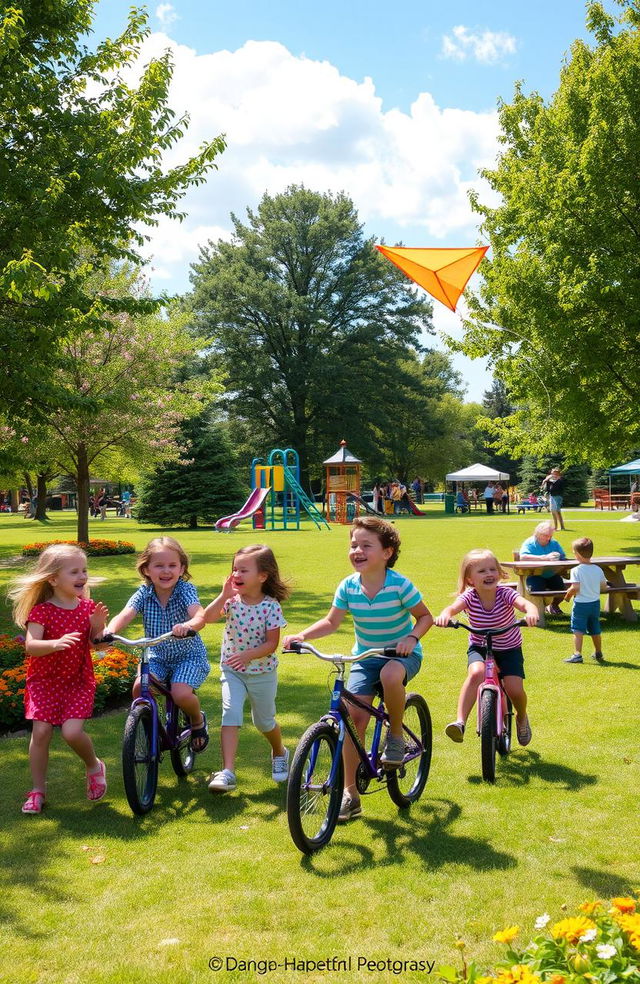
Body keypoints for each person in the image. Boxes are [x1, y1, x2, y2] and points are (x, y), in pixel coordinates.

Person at [283, 515, 433, 823]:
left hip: (401, 654)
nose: (357, 551)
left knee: (391, 674)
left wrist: (410, 637)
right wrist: (301, 636)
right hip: (365, 656)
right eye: (353, 545)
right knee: (354, 720)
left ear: (387, 552)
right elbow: (331, 622)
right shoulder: (348, 586)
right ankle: (350, 794)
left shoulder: (399, 585)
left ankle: (394, 735)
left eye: (366, 545)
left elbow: (425, 617)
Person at [7, 544, 109, 814]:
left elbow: (97, 647)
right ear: (53, 579)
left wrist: (98, 627)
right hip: (44, 681)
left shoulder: (88, 608)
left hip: (77, 680)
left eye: (84, 570)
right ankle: (37, 790)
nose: (82, 576)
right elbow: (31, 646)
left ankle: (94, 766)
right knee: (40, 732)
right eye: (74, 571)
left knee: (72, 732)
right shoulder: (41, 611)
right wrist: (56, 643)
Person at [104, 536, 210, 753]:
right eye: (159, 566)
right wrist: (110, 631)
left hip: (188, 656)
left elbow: (199, 616)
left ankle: (197, 721)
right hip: (157, 655)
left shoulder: (185, 590)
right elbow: (125, 614)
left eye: (172, 565)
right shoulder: (143, 593)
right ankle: (151, 727)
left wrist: (188, 625)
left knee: (180, 694)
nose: (166, 571)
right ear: (147, 570)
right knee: (138, 689)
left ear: (181, 569)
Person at [202, 544, 290, 793]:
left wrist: (248, 655)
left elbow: (272, 644)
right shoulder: (231, 601)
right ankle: (227, 772)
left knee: (264, 722)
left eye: (243, 570)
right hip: (232, 670)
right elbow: (208, 618)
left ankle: (279, 751)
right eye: (234, 569)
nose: (236, 575)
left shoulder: (271, 606)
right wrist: (222, 595)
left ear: (262, 576)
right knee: (230, 714)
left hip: (262, 672)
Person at [434, 548, 538, 746]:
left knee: (515, 689)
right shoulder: (469, 597)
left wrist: (531, 612)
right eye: (482, 571)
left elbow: (525, 604)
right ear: (470, 579)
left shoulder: (505, 593)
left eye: (493, 569)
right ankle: (460, 722)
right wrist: (445, 616)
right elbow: (451, 608)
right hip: (480, 646)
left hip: (509, 648)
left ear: (499, 572)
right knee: (476, 674)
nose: (489, 574)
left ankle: (521, 716)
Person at [562, 537, 607, 664]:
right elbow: (604, 586)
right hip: (595, 604)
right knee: (595, 628)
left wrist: (567, 596)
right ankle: (598, 652)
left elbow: (575, 587)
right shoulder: (598, 569)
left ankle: (577, 654)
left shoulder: (576, 570)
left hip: (581, 604)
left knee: (578, 630)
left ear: (578, 555)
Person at [519, 521, 567, 615]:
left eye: (550, 536)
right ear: (538, 534)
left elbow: (563, 555)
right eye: (546, 535)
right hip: (534, 574)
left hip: (551, 574)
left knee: (563, 591)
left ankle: (554, 605)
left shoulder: (554, 543)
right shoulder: (530, 543)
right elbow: (523, 557)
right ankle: (539, 611)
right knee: (536, 591)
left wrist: (559, 556)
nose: (548, 538)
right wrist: (544, 558)